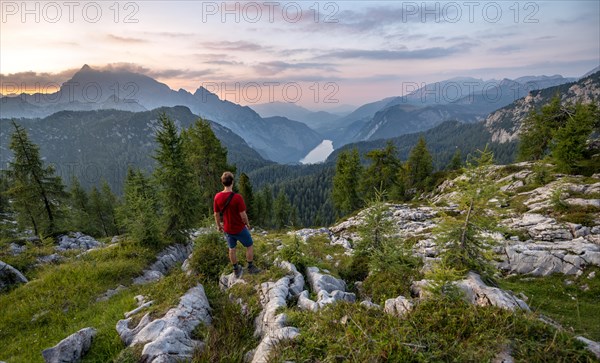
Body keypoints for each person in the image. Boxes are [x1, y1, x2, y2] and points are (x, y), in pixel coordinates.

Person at [214, 171, 260, 278]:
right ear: (232, 182)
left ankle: (235, 269)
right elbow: (243, 215)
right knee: (249, 245)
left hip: (227, 229)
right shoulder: (237, 197)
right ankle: (250, 267)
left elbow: (216, 214)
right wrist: (247, 224)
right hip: (239, 228)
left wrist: (218, 226)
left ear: (222, 182)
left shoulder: (217, 197)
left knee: (232, 249)